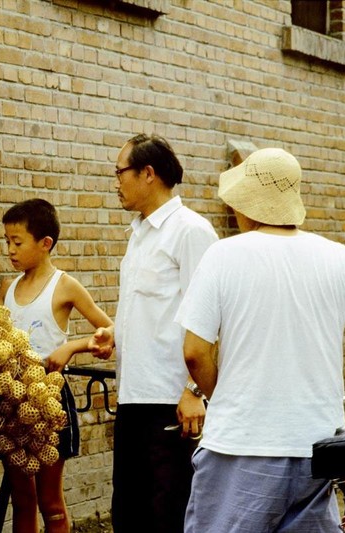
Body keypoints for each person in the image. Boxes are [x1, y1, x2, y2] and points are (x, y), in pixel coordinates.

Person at [175, 147, 345, 532]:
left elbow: (195, 351)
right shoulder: (339, 258)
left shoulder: (222, 256)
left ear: (247, 205)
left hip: (239, 447)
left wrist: (226, 398)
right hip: (316, 453)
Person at [88, 134, 218, 532]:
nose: (115, 182)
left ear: (148, 173)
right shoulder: (139, 233)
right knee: (129, 514)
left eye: (119, 172)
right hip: (132, 397)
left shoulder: (191, 231)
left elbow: (214, 318)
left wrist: (194, 391)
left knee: (170, 515)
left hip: (172, 403)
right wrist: (117, 334)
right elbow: (152, 310)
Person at [0, 199, 113, 533]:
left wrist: (71, 347)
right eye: (7, 241)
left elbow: (111, 331)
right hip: (11, 403)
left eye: (17, 242)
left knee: (51, 503)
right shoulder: (8, 288)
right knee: (22, 500)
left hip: (49, 403)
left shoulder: (64, 286)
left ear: (45, 243)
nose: (10, 250)